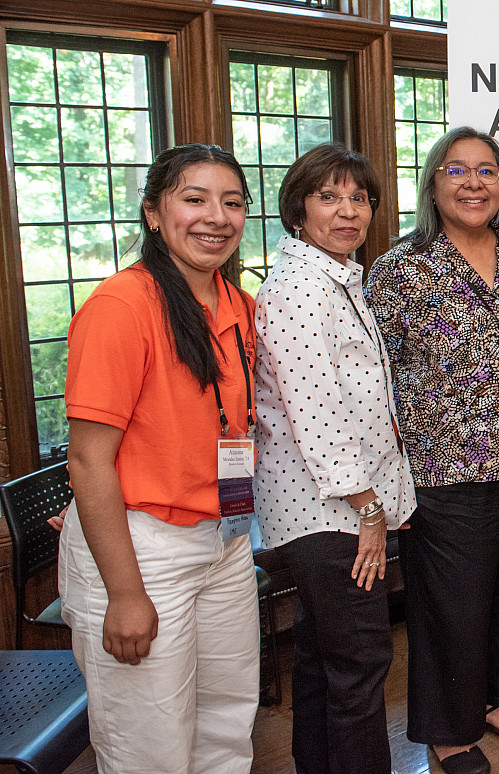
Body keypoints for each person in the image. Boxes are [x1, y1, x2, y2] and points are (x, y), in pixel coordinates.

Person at [59, 143, 260, 773]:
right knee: (149, 744)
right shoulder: (123, 306)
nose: (216, 217)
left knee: (227, 723)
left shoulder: (237, 305)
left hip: (223, 541)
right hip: (143, 549)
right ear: (153, 213)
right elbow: (90, 463)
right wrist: (123, 593)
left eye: (232, 202)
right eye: (194, 200)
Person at [365, 127, 499, 774]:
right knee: (453, 605)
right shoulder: (401, 268)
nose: (474, 182)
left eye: (487, 171)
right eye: (457, 170)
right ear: (433, 183)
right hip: (446, 470)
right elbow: (374, 379)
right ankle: (449, 729)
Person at [252, 143, 415, 774]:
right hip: (328, 516)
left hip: (330, 511)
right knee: (360, 665)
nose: (348, 211)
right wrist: (370, 509)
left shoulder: (336, 277)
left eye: (360, 198)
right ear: (298, 210)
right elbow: (319, 417)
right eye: (329, 197)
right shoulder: (299, 290)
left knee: (323, 660)